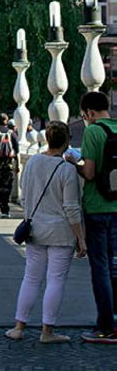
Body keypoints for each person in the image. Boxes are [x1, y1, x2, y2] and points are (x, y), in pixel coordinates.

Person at [5, 120, 86, 344]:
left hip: (35, 230)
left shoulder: (32, 163)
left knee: (31, 278)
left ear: (47, 139)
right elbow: (71, 208)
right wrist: (81, 238)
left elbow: (23, 197)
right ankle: (47, 331)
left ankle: (19, 326)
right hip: (61, 233)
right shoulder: (67, 170)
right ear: (67, 141)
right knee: (55, 280)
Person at [69, 90, 117, 344]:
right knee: (116, 266)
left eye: (85, 116)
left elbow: (88, 173)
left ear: (89, 113)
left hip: (98, 208)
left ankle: (106, 327)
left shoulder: (93, 132)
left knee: (100, 268)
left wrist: (72, 163)